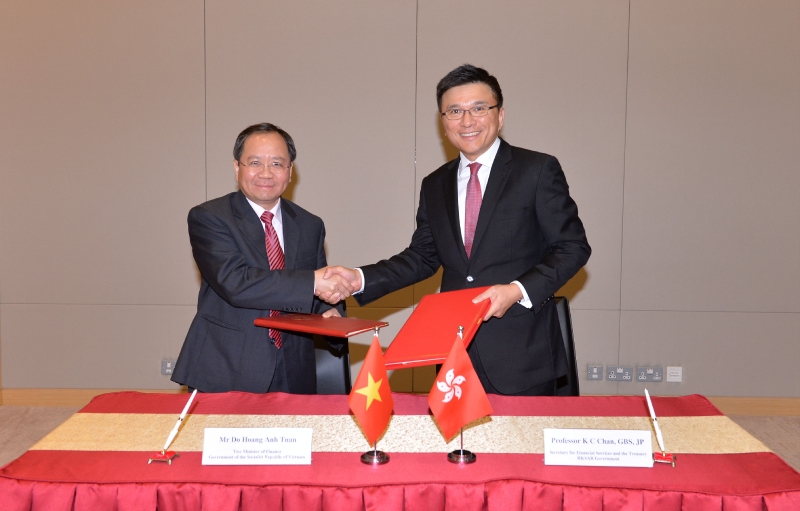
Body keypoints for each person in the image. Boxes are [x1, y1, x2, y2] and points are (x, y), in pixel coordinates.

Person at [324, 65, 590, 396]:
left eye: (479, 108)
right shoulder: (435, 184)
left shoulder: (536, 170)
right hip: (453, 357)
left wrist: (516, 290)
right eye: (455, 111)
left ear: (500, 115)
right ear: (443, 121)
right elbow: (422, 257)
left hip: (522, 355)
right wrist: (359, 279)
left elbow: (572, 247)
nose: (467, 121)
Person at [172, 123, 353, 394]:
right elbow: (236, 283)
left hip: (294, 370)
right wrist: (312, 283)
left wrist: (332, 312)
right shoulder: (209, 217)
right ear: (237, 167)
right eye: (255, 162)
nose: (266, 173)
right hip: (228, 367)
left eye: (277, 163)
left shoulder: (309, 224)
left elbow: (312, 292)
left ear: (290, 172)